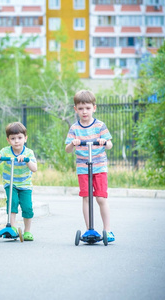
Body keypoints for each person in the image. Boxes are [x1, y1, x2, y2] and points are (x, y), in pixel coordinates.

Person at [65, 90, 115, 242]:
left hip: (99, 167)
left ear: (94, 108)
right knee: (86, 197)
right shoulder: (74, 128)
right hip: (83, 168)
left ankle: (108, 230)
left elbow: (110, 145)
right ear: (76, 110)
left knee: (100, 197)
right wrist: (72, 144)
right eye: (80, 108)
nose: (84, 111)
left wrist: (104, 141)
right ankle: (89, 229)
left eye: (87, 108)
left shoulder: (100, 126)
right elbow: (67, 149)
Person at [0, 122, 38, 241]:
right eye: (13, 138)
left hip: (25, 185)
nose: (16, 141)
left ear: (25, 138)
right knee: (12, 202)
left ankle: (27, 231)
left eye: (19, 138)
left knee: (27, 207)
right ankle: (12, 228)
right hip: (10, 183)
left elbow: (34, 168)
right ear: (8, 140)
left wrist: (26, 160)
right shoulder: (5, 151)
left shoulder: (29, 153)